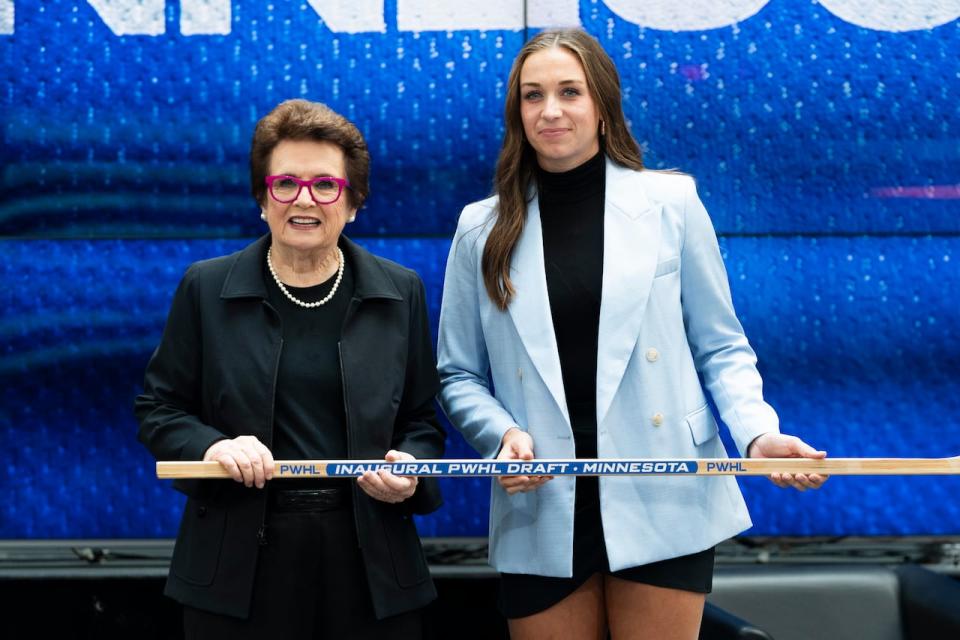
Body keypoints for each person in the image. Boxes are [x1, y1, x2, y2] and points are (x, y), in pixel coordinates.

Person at [437, 29, 826, 639]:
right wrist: (501, 434)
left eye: (570, 91)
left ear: (602, 103)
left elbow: (721, 346)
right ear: (517, 112)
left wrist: (757, 434)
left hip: (664, 485)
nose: (552, 110)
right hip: (543, 498)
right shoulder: (480, 228)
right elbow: (457, 372)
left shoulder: (672, 202)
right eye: (533, 95)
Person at [135, 99, 444, 639]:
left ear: (353, 203)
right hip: (235, 567)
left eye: (326, 185)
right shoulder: (204, 288)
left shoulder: (401, 291)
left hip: (371, 562)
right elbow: (159, 409)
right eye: (286, 184)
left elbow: (421, 419)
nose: (305, 200)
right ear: (262, 198)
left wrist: (409, 467)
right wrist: (212, 447)